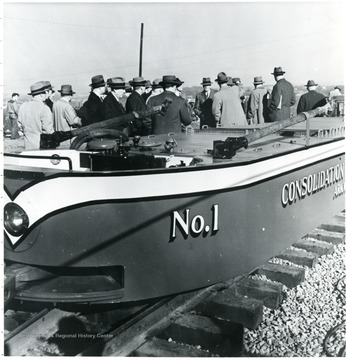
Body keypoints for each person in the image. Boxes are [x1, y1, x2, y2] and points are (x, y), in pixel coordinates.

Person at [18, 81, 54, 150]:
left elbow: (20, 125)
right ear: (41, 94)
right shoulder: (44, 108)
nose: (47, 95)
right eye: (46, 93)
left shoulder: (23, 106)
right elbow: (48, 131)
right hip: (41, 147)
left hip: (27, 146)